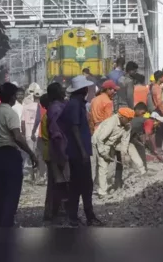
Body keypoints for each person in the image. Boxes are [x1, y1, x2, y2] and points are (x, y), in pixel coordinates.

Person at [0, 82, 38, 227]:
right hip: (9, 155)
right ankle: (7, 227)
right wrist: (31, 153)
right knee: (11, 194)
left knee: (0, 194)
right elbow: (17, 136)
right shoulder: (10, 113)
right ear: (11, 97)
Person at [59, 75, 102, 226]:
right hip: (79, 151)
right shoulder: (75, 105)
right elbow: (75, 128)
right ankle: (88, 215)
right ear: (82, 89)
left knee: (77, 184)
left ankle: (75, 216)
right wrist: (83, 150)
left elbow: (63, 123)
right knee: (85, 185)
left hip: (75, 149)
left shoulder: (74, 104)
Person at [92, 108, 139, 197]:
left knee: (107, 167)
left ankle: (97, 186)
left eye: (131, 119)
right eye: (128, 118)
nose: (130, 121)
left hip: (110, 143)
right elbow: (100, 139)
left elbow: (125, 141)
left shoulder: (128, 125)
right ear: (121, 117)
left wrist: (124, 155)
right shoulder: (112, 122)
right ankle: (102, 192)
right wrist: (104, 154)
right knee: (103, 166)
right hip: (100, 142)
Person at [43, 82, 70, 225]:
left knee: (61, 181)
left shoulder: (58, 107)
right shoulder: (56, 108)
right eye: (61, 90)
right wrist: (62, 153)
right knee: (61, 181)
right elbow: (56, 134)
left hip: (61, 149)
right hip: (61, 150)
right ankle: (59, 213)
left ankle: (57, 212)